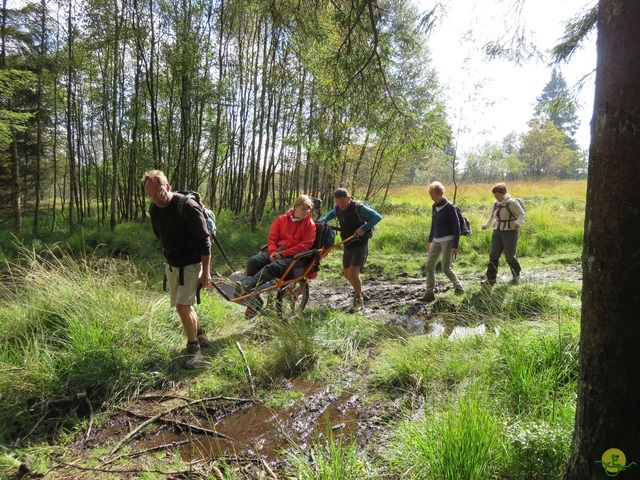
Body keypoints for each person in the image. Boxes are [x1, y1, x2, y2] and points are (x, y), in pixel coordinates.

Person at [141, 170, 212, 369]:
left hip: (192, 263)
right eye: (151, 196)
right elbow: (160, 235)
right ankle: (200, 334)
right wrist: (167, 260)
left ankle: (194, 349)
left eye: (159, 193)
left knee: (182, 307)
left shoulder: (187, 206)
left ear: (168, 187)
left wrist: (206, 272)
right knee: (185, 306)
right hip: (172, 264)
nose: (156, 199)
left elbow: (204, 241)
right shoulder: (154, 209)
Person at [237, 195, 316, 314]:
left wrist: (283, 254)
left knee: (274, 267)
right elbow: (272, 238)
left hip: (297, 256)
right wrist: (273, 252)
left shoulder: (310, 225)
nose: (306, 212)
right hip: (277, 251)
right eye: (303, 209)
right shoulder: (282, 220)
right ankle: (255, 302)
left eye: (308, 209)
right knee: (254, 261)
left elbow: (304, 246)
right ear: (295, 207)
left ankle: (247, 286)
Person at [321, 188, 382, 313]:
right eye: (338, 203)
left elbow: (377, 217)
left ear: (349, 198)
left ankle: (358, 300)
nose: (340, 206)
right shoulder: (338, 208)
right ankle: (361, 294)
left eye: (342, 203)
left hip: (360, 243)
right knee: (347, 275)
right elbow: (331, 214)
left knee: (354, 274)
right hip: (347, 244)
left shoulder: (358, 208)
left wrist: (363, 228)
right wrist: (322, 221)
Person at [419, 181, 464, 303]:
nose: (432, 198)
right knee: (429, 266)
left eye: (433, 195)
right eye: (431, 196)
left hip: (448, 240)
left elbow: (457, 227)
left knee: (445, 268)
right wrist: (430, 240)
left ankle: (458, 287)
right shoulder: (434, 206)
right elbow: (433, 224)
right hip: (436, 240)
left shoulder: (450, 207)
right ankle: (429, 293)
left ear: (440, 193)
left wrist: (455, 245)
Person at [481, 182, 525, 288]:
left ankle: (516, 275)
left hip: (510, 231)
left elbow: (521, 214)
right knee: (493, 254)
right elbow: (493, 217)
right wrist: (487, 225)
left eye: (498, 195)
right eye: (495, 195)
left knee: (509, 256)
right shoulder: (496, 203)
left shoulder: (512, 203)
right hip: (497, 231)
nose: (496, 197)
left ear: (504, 193)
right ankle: (491, 279)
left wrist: (518, 223)